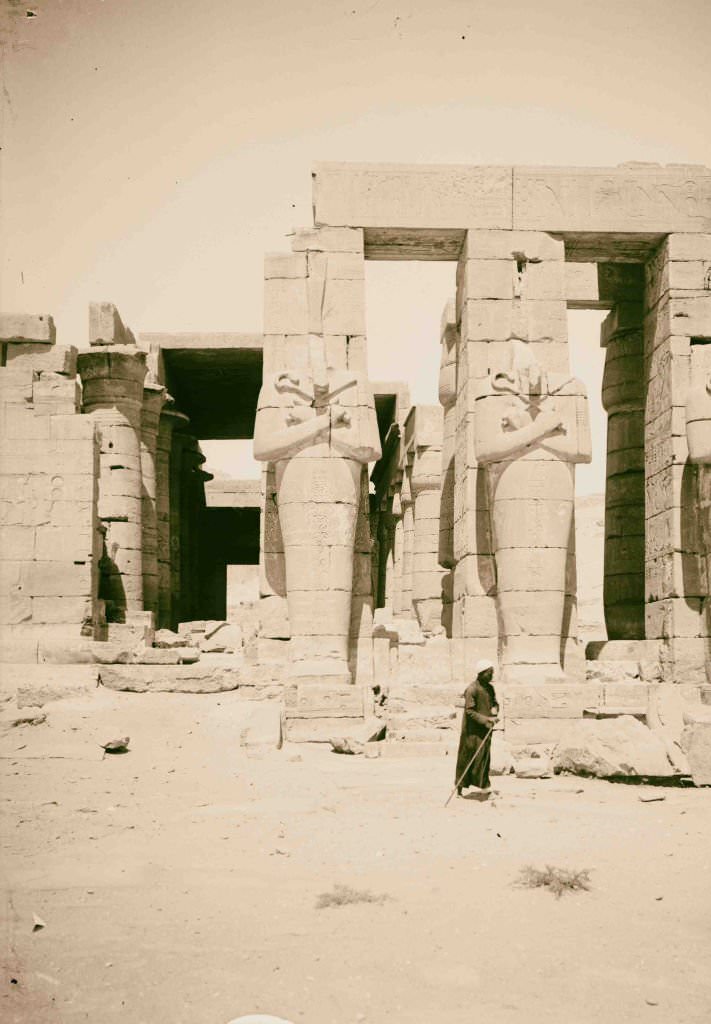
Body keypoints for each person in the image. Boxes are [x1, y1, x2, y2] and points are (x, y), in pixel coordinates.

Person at [454, 659, 499, 797]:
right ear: (481, 674)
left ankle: (485, 786)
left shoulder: (490, 688)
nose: (492, 676)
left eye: (492, 673)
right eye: (489, 673)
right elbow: (469, 711)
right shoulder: (472, 689)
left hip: (485, 729)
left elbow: (494, 703)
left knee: (484, 758)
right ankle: (459, 787)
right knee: (467, 758)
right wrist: (486, 719)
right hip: (472, 731)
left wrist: (495, 710)